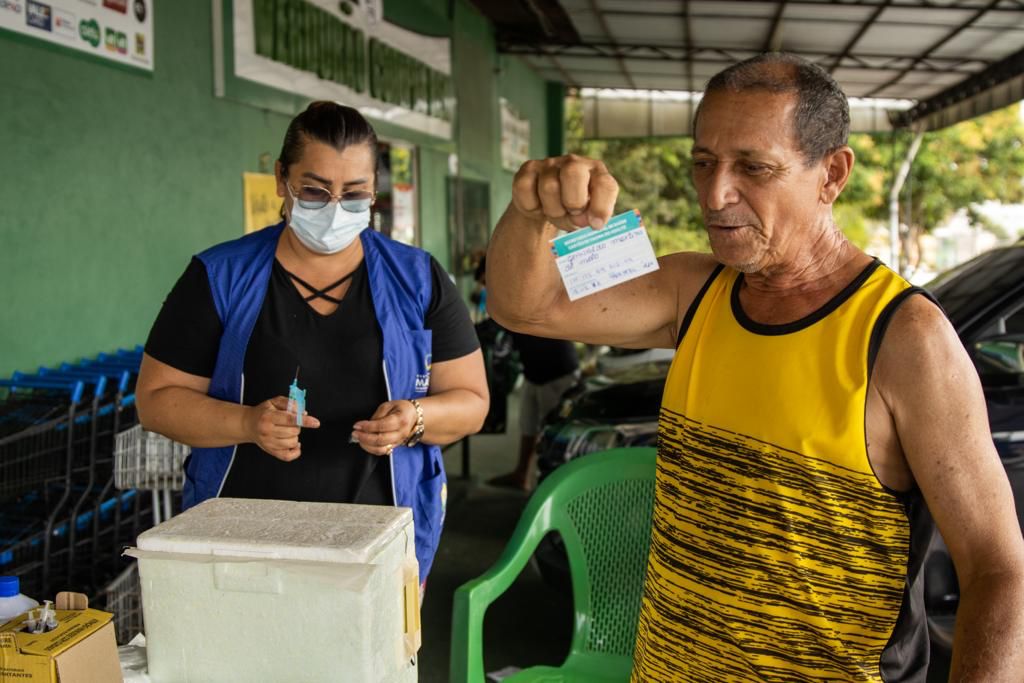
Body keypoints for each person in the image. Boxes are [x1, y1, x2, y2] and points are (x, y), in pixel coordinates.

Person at [485, 53, 1024, 681]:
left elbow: (996, 567)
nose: (715, 195)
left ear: (832, 174)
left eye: (754, 167)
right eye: (703, 162)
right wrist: (533, 213)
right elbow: (524, 307)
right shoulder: (695, 289)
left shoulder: (905, 338)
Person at [135, 101, 489, 582]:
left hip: (377, 543)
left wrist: (415, 418)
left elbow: (471, 401)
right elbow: (156, 401)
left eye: (355, 194)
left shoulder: (417, 278)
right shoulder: (220, 276)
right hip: (241, 539)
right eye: (315, 191)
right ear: (282, 179)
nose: (335, 209)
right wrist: (246, 422)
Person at [475, 256, 580, 491]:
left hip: (556, 371)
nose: (486, 289)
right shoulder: (511, 295)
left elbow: (494, 328)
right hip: (535, 372)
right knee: (529, 425)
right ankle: (521, 475)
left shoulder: (519, 293)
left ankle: (554, 487)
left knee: (553, 432)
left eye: (486, 282)